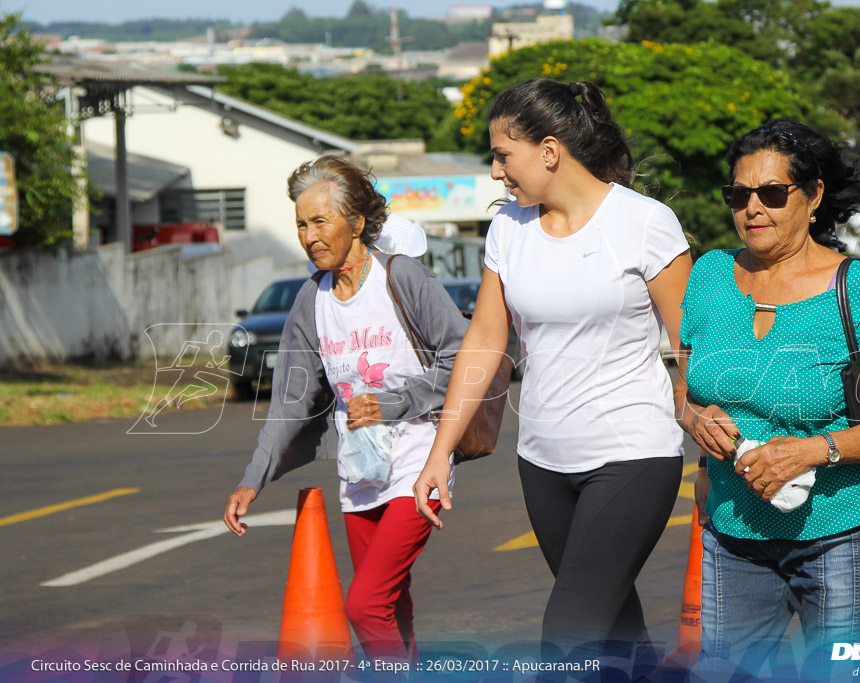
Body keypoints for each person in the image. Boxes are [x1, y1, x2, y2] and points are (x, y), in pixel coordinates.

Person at [413, 78, 693, 664]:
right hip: (542, 461)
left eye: (502, 155)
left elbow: (688, 343)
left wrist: (708, 430)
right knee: (615, 630)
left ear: (549, 151)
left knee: (567, 638)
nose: (495, 173)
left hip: (632, 455)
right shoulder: (508, 230)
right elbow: (486, 343)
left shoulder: (644, 221)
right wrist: (440, 451)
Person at [677, 119, 860, 678]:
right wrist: (695, 416)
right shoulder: (710, 275)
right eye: (738, 195)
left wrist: (814, 450)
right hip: (732, 532)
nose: (752, 209)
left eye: (771, 193)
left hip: (840, 536)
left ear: (813, 196)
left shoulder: (857, 287)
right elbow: (685, 384)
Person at [223, 155, 468, 661]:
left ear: (356, 222)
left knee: (364, 605)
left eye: (320, 220)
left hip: (420, 465)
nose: (309, 235)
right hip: (360, 474)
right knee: (391, 605)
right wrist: (253, 479)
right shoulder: (311, 301)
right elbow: (290, 403)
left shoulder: (402, 278)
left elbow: (466, 359)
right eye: (300, 224)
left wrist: (395, 402)